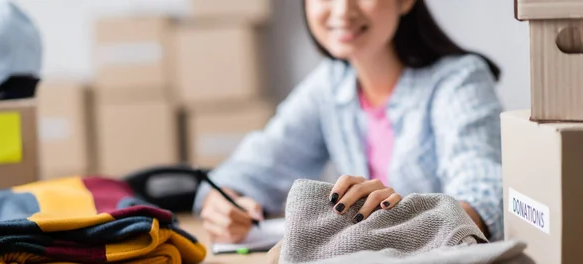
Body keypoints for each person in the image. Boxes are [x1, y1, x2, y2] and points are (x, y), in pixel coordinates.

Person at [195, 0, 504, 244]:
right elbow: (254, 167)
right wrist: (223, 202)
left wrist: (408, 221)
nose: (343, 11)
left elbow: (485, 198)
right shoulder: (330, 83)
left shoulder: (461, 79)